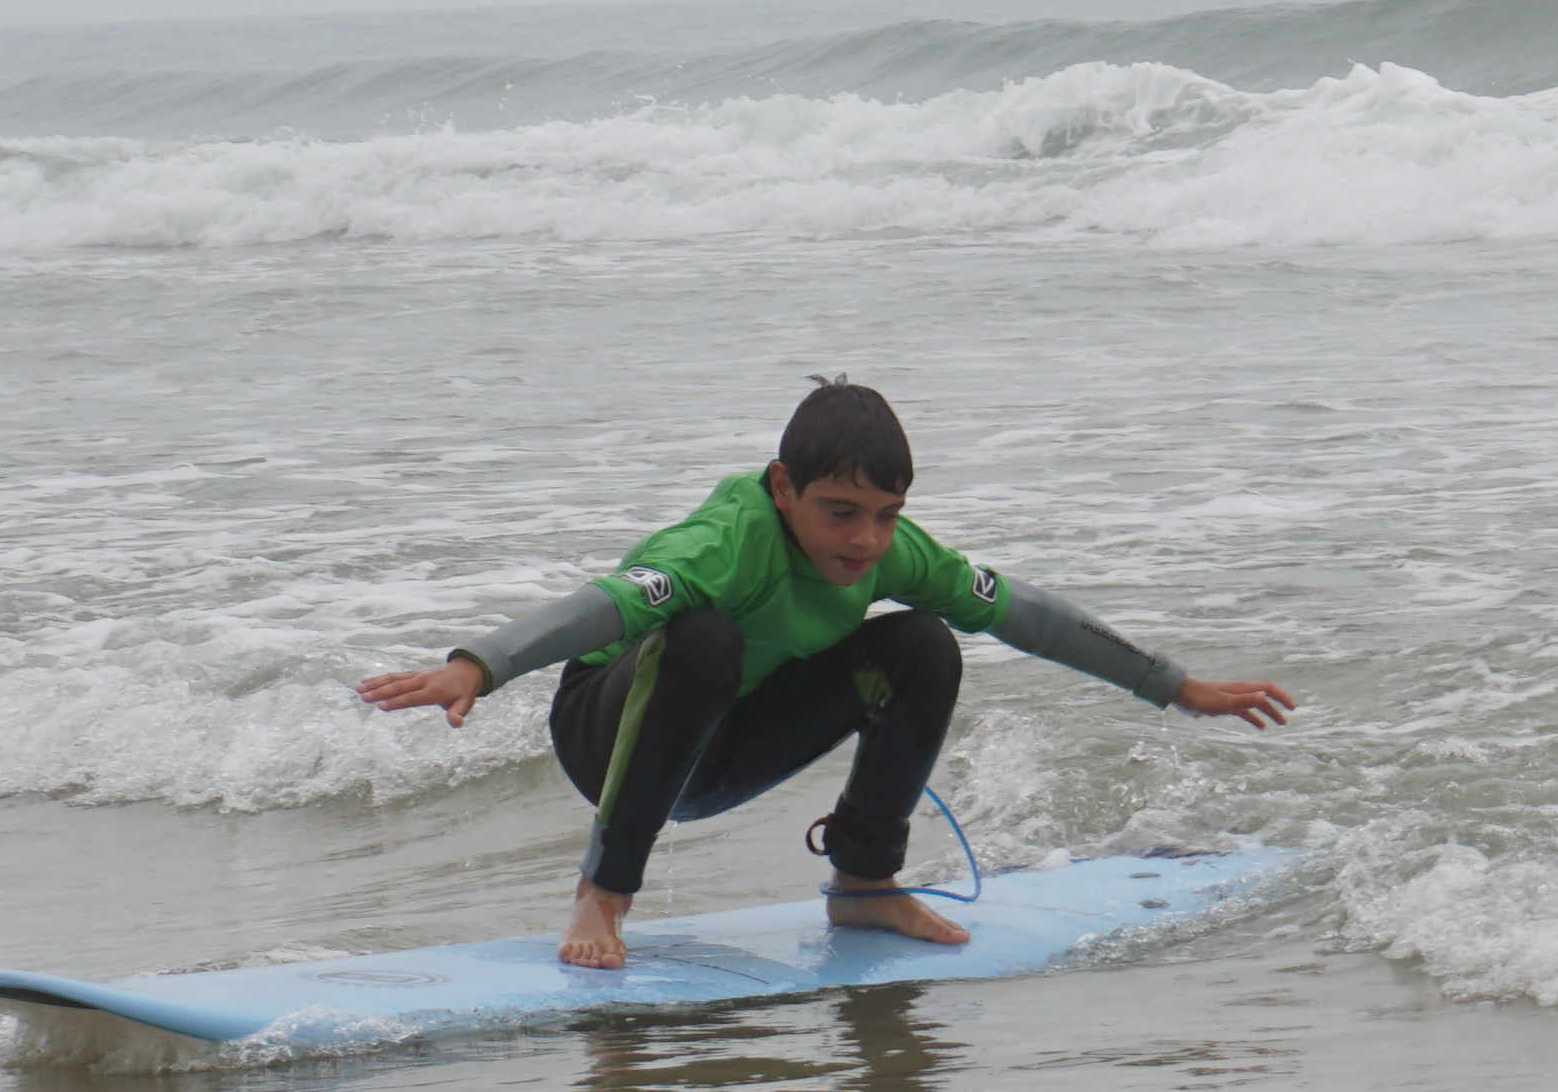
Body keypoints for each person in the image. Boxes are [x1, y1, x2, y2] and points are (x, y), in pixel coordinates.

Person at [359, 379, 1292, 969]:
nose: (865, 540)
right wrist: (478, 664)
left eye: (885, 515)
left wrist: (1177, 685)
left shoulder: (894, 552)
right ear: (781, 488)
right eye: (840, 512)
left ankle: (864, 885)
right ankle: (603, 895)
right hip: (612, 735)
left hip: (726, 747)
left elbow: (1029, 613)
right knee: (705, 634)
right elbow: (605, 605)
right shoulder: (726, 541)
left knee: (924, 641)